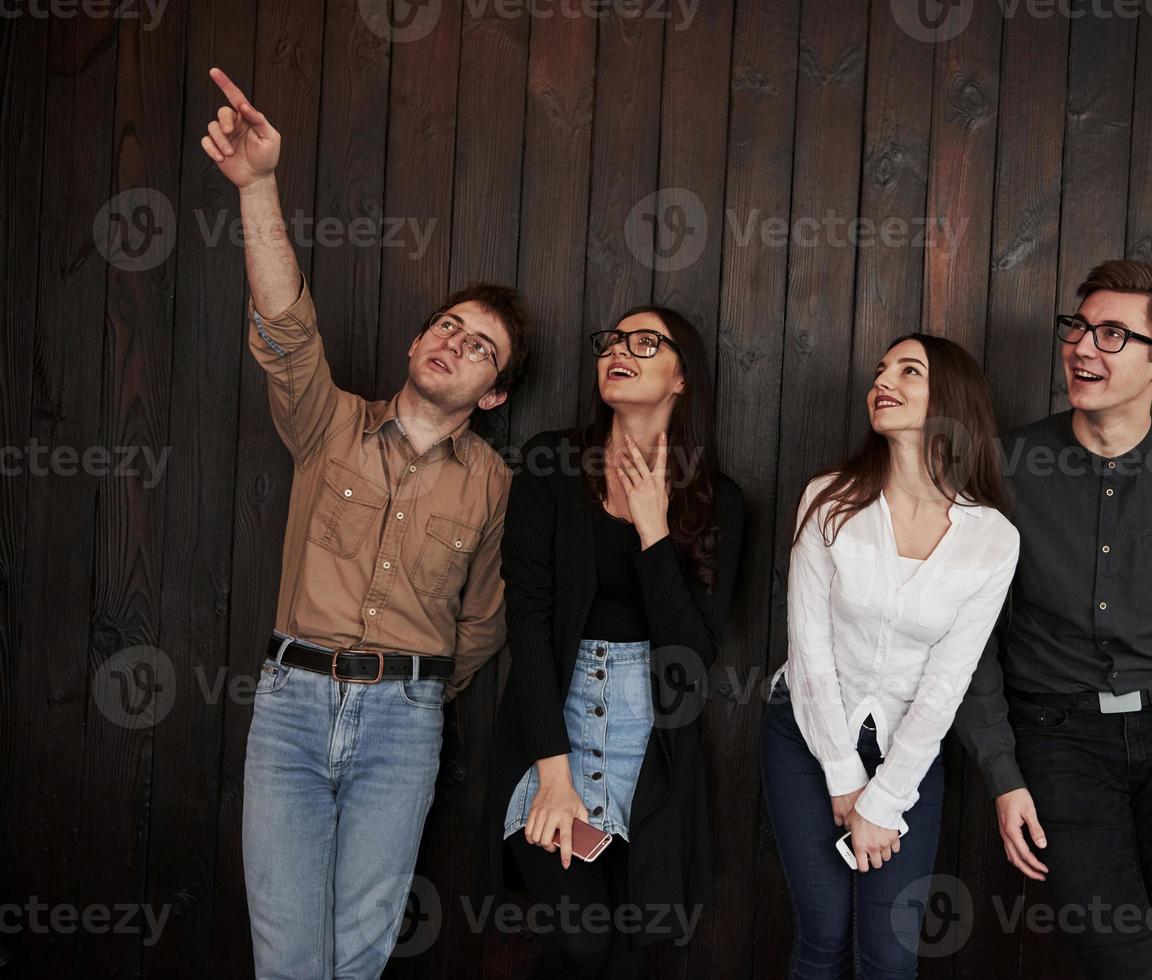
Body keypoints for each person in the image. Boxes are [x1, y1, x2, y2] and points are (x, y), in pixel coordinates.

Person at [200, 67, 529, 978]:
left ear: (493, 392)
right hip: (292, 709)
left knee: (358, 951)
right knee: (288, 953)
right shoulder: (327, 422)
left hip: (405, 721)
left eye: (480, 348)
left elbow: (484, 622)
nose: (454, 341)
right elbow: (285, 325)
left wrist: (416, 689)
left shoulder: (493, 484)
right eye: (448, 324)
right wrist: (259, 185)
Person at [955, 260, 1152, 979]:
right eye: (1077, 327)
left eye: (1110, 333)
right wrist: (1001, 773)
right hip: (1056, 742)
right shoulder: (1005, 467)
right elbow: (971, 637)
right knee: (1119, 957)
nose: (1081, 347)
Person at [484, 308, 745, 977]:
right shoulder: (551, 464)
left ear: (681, 377)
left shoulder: (720, 501)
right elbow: (530, 624)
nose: (617, 352)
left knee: (626, 959)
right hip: (552, 731)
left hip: (649, 748)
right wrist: (553, 776)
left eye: (644, 342)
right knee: (580, 941)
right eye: (610, 342)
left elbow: (691, 657)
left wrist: (655, 531)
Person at [762, 334, 1019, 978]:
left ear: (952, 400)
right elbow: (810, 650)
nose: (884, 380)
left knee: (890, 958)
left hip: (910, 753)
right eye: (881, 370)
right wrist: (846, 778)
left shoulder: (992, 539)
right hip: (805, 736)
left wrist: (882, 801)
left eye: (909, 370)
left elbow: (947, 684)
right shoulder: (828, 500)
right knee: (821, 936)